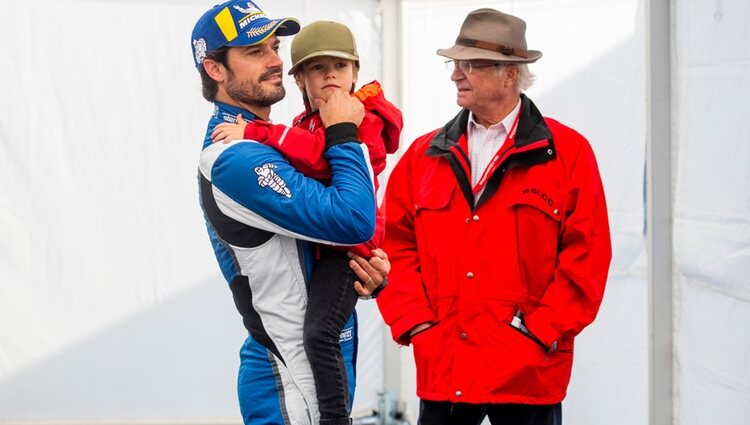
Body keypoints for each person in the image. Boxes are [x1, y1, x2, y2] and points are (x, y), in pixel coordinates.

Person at [376, 8, 612, 425]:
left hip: (528, 376)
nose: (455, 74)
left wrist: (538, 332)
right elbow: (395, 246)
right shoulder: (422, 156)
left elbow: (587, 260)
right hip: (445, 371)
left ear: (510, 74)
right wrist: (416, 324)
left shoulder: (569, 154)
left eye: (471, 64)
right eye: (455, 63)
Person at [190, 2, 390, 424]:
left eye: (275, 46)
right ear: (215, 70)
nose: (276, 60)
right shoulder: (233, 155)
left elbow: (339, 235)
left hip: (314, 367)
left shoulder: (281, 139)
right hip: (288, 378)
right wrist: (342, 130)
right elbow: (353, 218)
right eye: (254, 51)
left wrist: (367, 266)